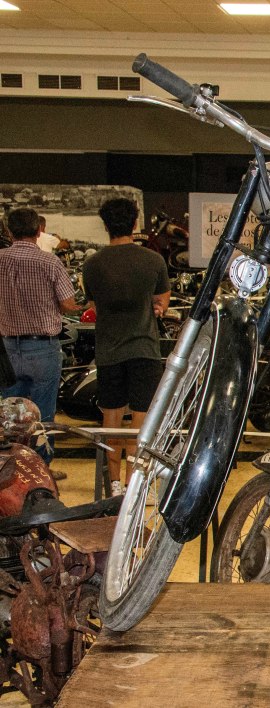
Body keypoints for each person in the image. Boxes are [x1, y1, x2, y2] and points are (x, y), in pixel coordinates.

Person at [83, 198, 170, 497]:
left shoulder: (92, 264)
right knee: (140, 421)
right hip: (144, 349)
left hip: (108, 350)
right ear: (134, 224)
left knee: (111, 421)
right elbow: (162, 301)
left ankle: (115, 484)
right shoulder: (153, 261)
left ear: (105, 225)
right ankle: (134, 484)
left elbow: (93, 304)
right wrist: (155, 308)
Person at [0, 208, 80, 470]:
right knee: (43, 417)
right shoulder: (50, 262)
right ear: (38, 231)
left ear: (9, 231)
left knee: (10, 417)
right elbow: (68, 304)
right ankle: (40, 471)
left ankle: (12, 471)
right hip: (43, 348)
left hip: (7, 349)